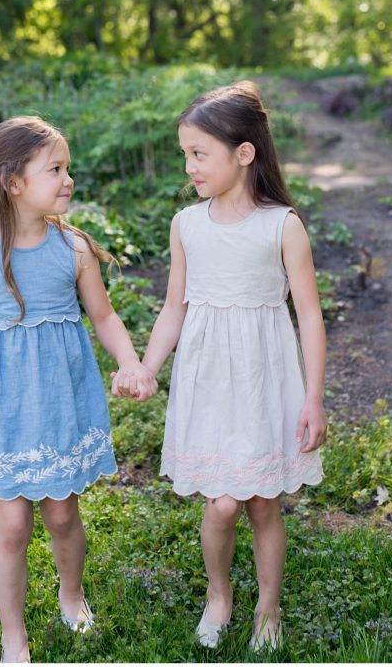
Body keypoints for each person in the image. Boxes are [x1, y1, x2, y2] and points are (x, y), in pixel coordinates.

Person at [0, 116, 156, 665]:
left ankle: (72, 594)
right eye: (55, 170)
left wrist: (132, 361)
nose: (68, 180)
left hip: (59, 402)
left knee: (63, 515)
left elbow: (105, 315)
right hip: (2, 410)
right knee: (13, 524)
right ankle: (13, 636)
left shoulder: (73, 248)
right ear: (13, 183)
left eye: (68, 168)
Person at [125, 80, 326, 652]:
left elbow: (309, 317)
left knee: (263, 501)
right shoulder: (188, 224)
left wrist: (313, 397)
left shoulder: (282, 225)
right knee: (221, 503)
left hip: (265, 379)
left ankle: (268, 606)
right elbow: (173, 308)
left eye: (199, 153)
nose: (189, 166)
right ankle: (219, 594)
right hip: (209, 379)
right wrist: (147, 365)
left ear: (244, 153)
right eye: (185, 154)